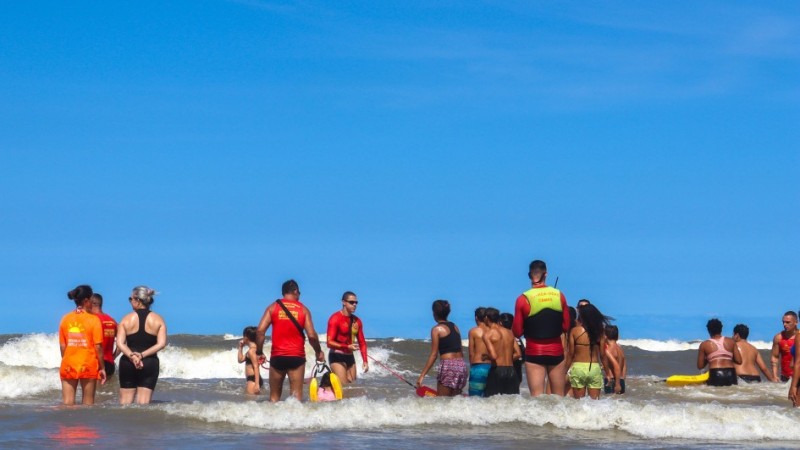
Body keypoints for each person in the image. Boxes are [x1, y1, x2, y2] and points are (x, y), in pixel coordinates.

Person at [255, 279, 325, 402]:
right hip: (296, 358)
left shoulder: (273, 307)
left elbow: (260, 331)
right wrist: (318, 351)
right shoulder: (303, 310)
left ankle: (272, 420)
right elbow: (312, 336)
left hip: (278, 357)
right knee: (296, 398)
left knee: (274, 398)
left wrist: (259, 352)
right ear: (295, 291)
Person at [512, 260, 570, 397]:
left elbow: (517, 332)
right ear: (546, 274)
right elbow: (566, 326)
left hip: (534, 352)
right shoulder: (559, 295)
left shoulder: (522, 299)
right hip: (556, 351)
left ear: (529, 275)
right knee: (558, 398)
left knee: (537, 398)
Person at [116, 286, 167, 404]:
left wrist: (132, 356)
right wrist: (141, 355)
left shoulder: (126, 319)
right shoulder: (158, 319)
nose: (130, 302)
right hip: (149, 362)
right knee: (143, 404)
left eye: (131, 299)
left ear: (138, 300)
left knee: (125, 403)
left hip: (128, 362)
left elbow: (120, 343)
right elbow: (161, 344)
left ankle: (125, 423)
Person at [59, 285, 106, 405]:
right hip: (88, 364)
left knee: (67, 404)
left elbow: (63, 346)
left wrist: (68, 359)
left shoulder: (65, 319)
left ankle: (68, 424)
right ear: (86, 301)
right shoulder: (94, 320)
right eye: (91, 299)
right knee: (88, 404)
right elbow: (98, 347)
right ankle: (84, 424)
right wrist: (102, 367)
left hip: (69, 363)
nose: (92, 302)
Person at [416, 300, 468, 396]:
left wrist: (422, 375)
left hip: (448, 366)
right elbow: (460, 349)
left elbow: (434, 354)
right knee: (455, 401)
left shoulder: (436, 329)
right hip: (461, 366)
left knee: (443, 401)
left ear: (434, 313)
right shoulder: (455, 326)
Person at [567, 304, 613, 399]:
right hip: (594, 369)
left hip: (578, 368)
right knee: (595, 404)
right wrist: (608, 373)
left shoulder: (574, 331)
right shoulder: (599, 332)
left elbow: (570, 354)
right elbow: (603, 355)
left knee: (579, 404)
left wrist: (564, 371)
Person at [326, 291, 368, 384]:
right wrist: (347, 347)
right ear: (343, 302)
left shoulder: (357, 321)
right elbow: (329, 343)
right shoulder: (335, 318)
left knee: (352, 386)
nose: (354, 305)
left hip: (350, 356)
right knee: (344, 386)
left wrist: (365, 361)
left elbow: (362, 343)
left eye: (356, 303)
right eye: (351, 302)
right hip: (336, 355)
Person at [482, 308, 521, 396]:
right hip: (511, 371)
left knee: (492, 402)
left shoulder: (488, 334)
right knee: (511, 402)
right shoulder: (509, 333)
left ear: (486, 318)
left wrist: (485, 356)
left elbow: (494, 356)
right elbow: (518, 354)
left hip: (497, 371)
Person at [697, 318, 742, 386]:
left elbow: (700, 366)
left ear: (709, 330)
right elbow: (739, 361)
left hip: (715, 373)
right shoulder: (731, 341)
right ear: (721, 329)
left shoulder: (704, 344)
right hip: (731, 373)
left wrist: (709, 357)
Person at [90, 293, 118, 377]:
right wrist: (113, 357)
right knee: (105, 390)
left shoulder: (92, 320)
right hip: (109, 363)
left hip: (96, 362)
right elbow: (123, 341)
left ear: (92, 303)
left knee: (94, 390)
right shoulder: (112, 321)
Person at [467, 307, 490, 396]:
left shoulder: (473, 331)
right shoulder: (493, 331)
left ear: (476, 318)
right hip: (492, 366)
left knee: (475, 398)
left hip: (478, 366)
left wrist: (472, 367)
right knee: (489, 397)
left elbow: (471, 352)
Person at [771, 311, 797, 382]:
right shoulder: (778, 337)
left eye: (788, 322)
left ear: (796, 322)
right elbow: (775, 357)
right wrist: (774, 375)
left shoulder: (799, 337)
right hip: (785, 377)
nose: (785, 324)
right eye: (783, 322)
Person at [499, 312, 524, 387]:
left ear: (500, 323)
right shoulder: (516, 337)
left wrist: (503, 361)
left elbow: (518, 354)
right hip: (517, 372)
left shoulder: (504, 337)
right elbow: (522, 355)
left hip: (507, 371)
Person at [602, 325, 627, 394]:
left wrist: (617, 384)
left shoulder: (608, 350)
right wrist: (622, 379)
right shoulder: (620, 349)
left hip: (612, 381)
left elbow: (617, 367)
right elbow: (624, 365)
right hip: (621, 380)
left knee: (609, 403)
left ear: (605, 336)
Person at [238, 326, 262, 394]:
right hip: (255, 379)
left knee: (250, 400)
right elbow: (240, 360)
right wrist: (240, 347)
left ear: (246, 337)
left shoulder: (251, 351)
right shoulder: (254, 350)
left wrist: (257, 384)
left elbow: (256, 367)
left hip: (253, 380)